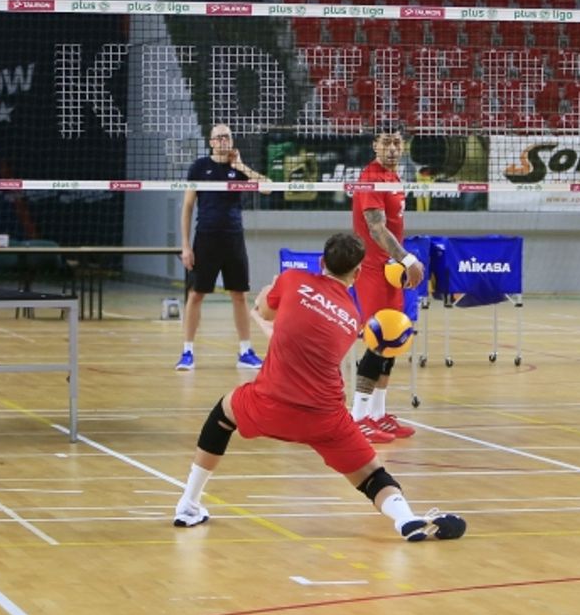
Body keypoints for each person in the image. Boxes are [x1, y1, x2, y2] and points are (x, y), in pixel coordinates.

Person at [171, 232, 465, 542]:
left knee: (222, 415)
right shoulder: (353, 318)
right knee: (371, 475)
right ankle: (404, 518)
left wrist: (264, 299)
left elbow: (268, 314)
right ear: (358, 273)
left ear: (322, 262)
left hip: (269, 403)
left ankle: (188, 505)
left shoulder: (292, 279)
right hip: (325, 418)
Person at [348, 123, 423, 444]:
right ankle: (357, 417)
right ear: (374, 147)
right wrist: (408, 259)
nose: (392, 149)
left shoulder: (394, 177)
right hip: (372, 270)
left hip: (391, 270)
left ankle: (378, 415)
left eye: (396, 143)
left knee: (392, 340)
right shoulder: (370, 178)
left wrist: (400, 263)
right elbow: (377, 229)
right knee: (377, 342)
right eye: (386, 143)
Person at [176, 123, 269, 373]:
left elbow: (268, 186)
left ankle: (245, 351)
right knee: (196, 294)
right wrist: (186, 246)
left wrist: (240, 166)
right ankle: (187, 352)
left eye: (227, 137)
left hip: (233, 238)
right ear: (211, 142)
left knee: (239, 295)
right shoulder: (199, 167)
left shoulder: (237, 168)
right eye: (218, 137)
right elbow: (187, 208)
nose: (223, 141)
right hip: (205, 238)